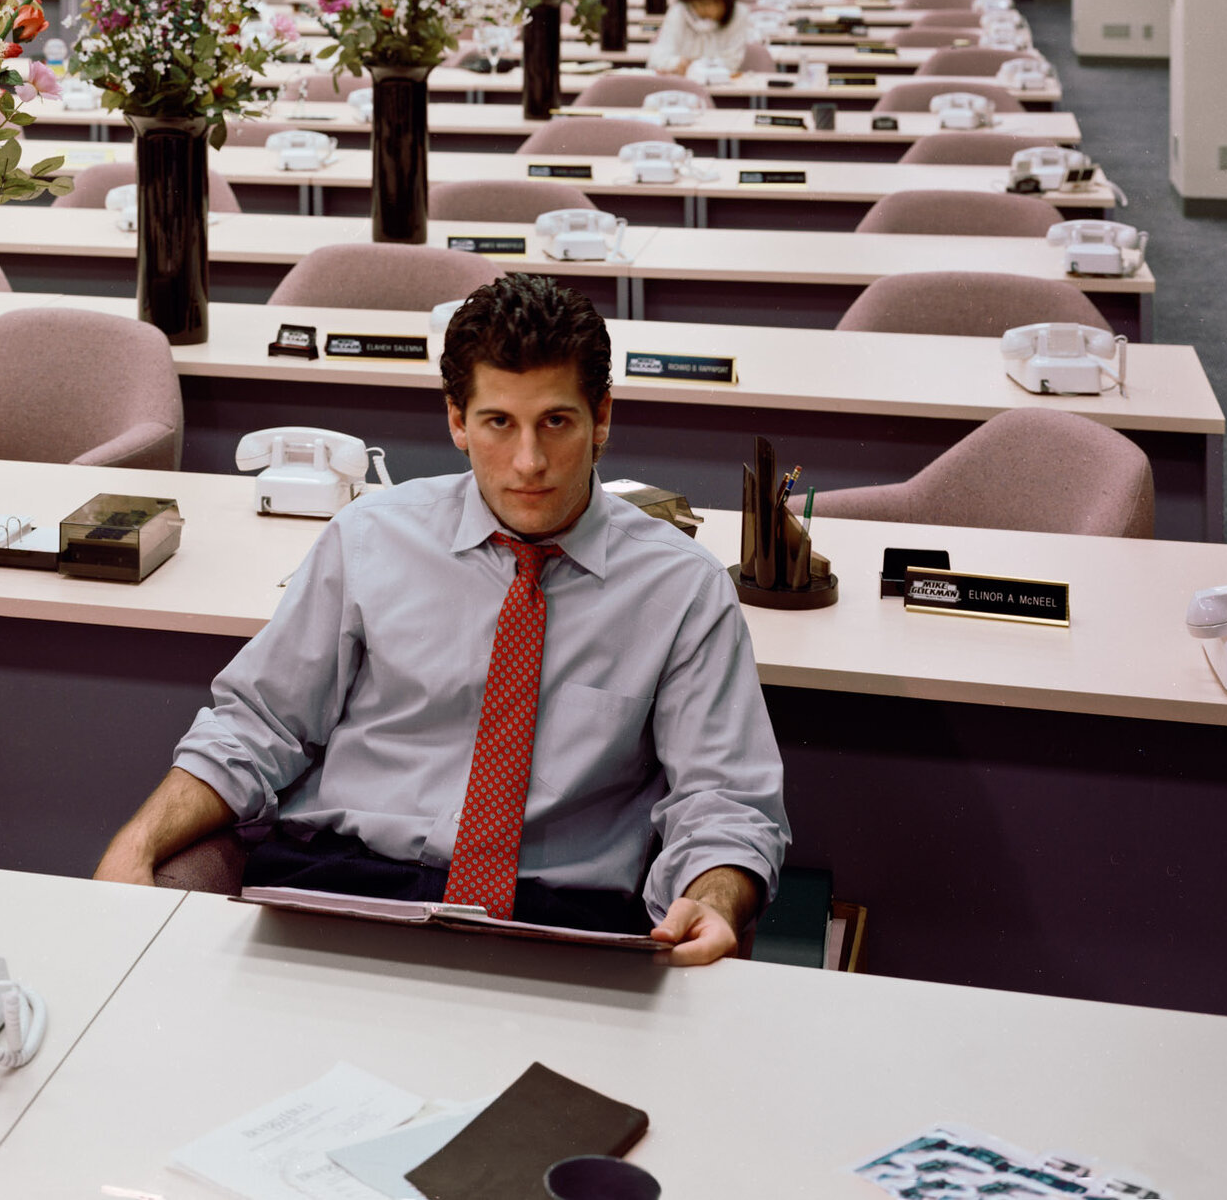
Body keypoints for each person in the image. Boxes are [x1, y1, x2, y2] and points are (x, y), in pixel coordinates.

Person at [93, 274, 788, 965]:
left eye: (557, 422)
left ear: (601, 416)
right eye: (497, 423)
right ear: (457, 420)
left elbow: (723, 799)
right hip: (346, 883)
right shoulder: (368, 538)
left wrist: (715, 896)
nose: (529, 462)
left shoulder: (681, 588)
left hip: (560, 918)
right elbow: (256, 725)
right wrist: (138, 843)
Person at [644, 0, 753, 79]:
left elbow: (732, 62)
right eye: (696, 5)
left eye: (707, 4)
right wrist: (675, 63)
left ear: (723, 0)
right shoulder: (679, 12)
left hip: (720, 83)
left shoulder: (739, 14)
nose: (703, 10)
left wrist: (695, 67)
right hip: (683, 83)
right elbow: (657, 58)